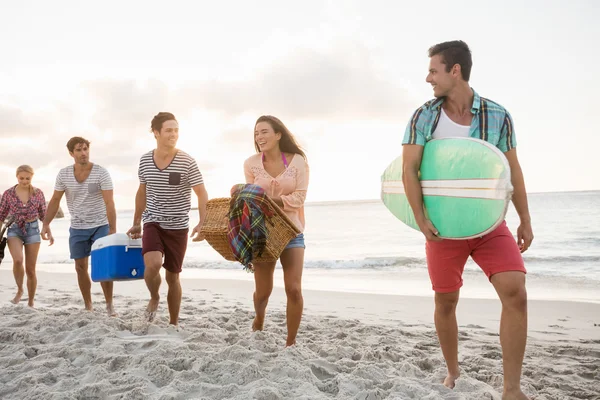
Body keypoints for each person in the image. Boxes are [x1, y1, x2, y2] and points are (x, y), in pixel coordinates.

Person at [402, 40, 533, 400]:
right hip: (443, 229)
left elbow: (512, 170)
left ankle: (512, 389)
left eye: (433, 70)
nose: (428, 78)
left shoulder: (497, 115)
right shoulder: (424, 116)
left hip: (491, 226)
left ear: (454, 70)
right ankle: (453, 371)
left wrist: (524, 218)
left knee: (515, 292)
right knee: (446, 302)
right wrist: (420, 219)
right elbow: (409, 170)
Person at [127, 112, 208, 327]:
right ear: (156, 133)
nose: (174, 134)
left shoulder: (187, 161)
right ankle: (154, 297)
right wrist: (137, 220)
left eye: (176, 130)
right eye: (169, 130)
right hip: (153, 221)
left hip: (179, 226)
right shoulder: (145, 160)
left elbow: (201, 192)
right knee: (152, 264)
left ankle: (173, 323)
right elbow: (142, 191)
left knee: (173, 278)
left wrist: (203, 221)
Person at [243, 115, 310, 347]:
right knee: (263, 292)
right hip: (262, 234)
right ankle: (259, 319)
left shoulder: (298, 161)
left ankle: (290, 343)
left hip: (292, 231)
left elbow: (300, 196)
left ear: (278, 134)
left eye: (264, 132)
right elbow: (252, 199)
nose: (259, 137)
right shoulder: (251, 163)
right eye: (256, 133)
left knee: (293, 289)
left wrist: (271, 200)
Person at [42, 137, 118, 316]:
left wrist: (112, 229)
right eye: (78, 150)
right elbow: (55, 200)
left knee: (102, 266)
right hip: (77, 226)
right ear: (71, 153)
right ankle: (88, 305)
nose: (83, 153)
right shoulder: (64, 174)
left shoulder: (101, 172)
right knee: (80, 267)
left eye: (85, 149)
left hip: (100, 225)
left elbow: (109, 202)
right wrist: (46, 223)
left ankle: (109, 305)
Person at [0, 165, 47, 307]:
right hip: (14, 229)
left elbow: (44, 215)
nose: (25, 181)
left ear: (32, 177)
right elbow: (1, 216)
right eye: (22, 178)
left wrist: (47, 230)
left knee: (31, 269)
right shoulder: (8, 194)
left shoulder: (38, 193)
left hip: (33, 230)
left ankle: (31, 301)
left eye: (28, 178)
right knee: (18, 261)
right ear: (17, 177)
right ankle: (20, 290)